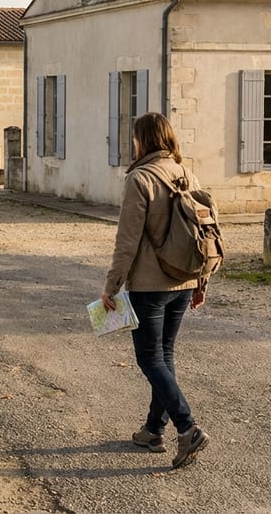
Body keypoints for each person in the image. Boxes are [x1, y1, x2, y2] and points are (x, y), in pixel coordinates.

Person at [101, 111, 210, 469]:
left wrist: (111, 286)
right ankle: (153, 430)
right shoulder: (186, 173)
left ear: (142, 140)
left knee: (150, 358)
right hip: (184, 279)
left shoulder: (140, 178)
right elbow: (204, 233)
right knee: (165, 355)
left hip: (150, 284)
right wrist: (200, 282)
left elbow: (127, 240)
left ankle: (187, 427)